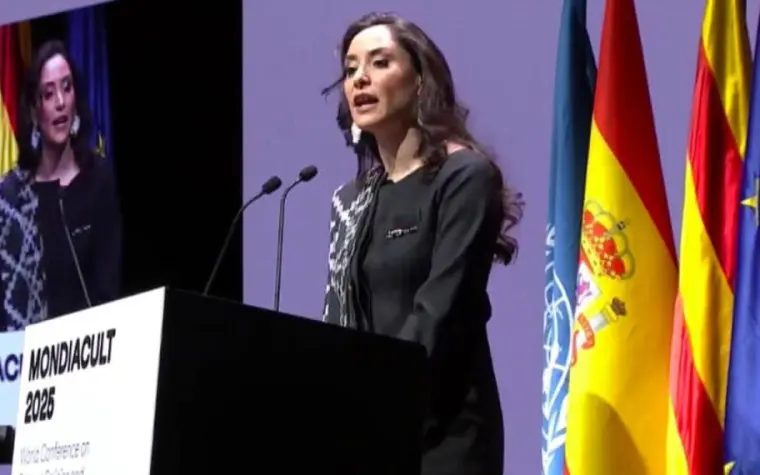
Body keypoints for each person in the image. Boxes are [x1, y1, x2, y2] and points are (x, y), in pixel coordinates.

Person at [321, 12, 523, 475]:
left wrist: (374, 400)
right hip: (370, 430)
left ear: (419, 82)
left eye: (379, 62)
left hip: (444, 435)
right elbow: (338, 321)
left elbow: (439, 314)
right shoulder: (350, 201)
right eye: (350, 69)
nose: (360, 79)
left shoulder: (464, 177)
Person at [0, 39, 121, 331]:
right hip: (27, 353)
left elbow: (109, 290)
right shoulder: (11, 197)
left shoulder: (98, 179)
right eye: (48, 93)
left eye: (67, 88)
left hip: (90, 346)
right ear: (34, 110)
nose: (60, 102)